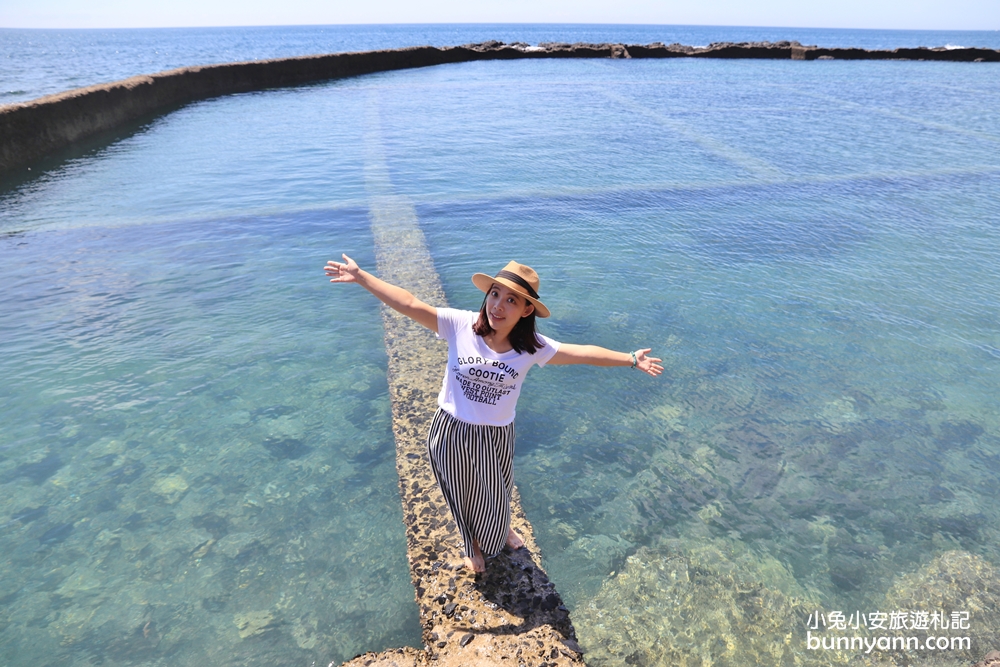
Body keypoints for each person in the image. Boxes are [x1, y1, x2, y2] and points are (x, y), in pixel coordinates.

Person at [325, 255, 663, 573]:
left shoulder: (532, 348)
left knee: (498, 492)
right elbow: (411, 304)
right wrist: (362, 277)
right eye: (494, 294)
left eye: (511, 300)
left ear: (527, 309)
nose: (497, 305)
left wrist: (631, 359)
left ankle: (500, 529)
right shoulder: (461, 325)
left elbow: (584, 353)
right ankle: (468, 542)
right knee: (458, 490)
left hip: (497, 434)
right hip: (452, 429)